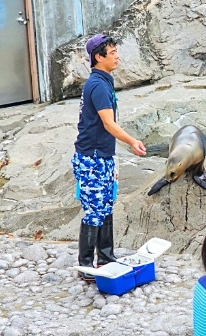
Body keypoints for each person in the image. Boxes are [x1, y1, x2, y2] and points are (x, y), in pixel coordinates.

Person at [72, 33, 146, 281]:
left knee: (105, 206)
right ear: (98, 57)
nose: (117, 57)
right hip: (91, 157)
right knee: (94, 210)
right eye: (112, 53)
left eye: (116, 52)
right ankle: (86, 266)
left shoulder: (104, 81)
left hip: (102, 155)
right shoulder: (97, 85)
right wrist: (132, 141)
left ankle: (105, 257)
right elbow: (108, 123)